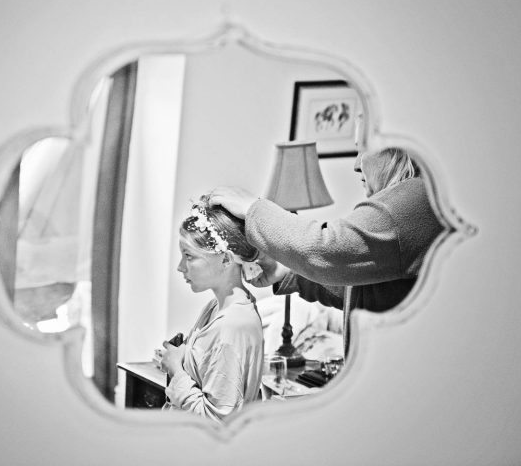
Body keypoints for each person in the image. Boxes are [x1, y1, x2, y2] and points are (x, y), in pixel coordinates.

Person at [210, 147, 444, 353]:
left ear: (396, 147)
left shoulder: (412, 200)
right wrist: (285, 271)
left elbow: (326, 248)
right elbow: (360, 288)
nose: (356, 164)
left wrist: (253, 208)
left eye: (363, 146)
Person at [160, 196, 264, 423]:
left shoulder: (232, 326)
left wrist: (176, 369)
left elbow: (218, 421)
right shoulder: (216, 307)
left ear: (226, 259)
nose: (180, 267)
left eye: (189, 256)